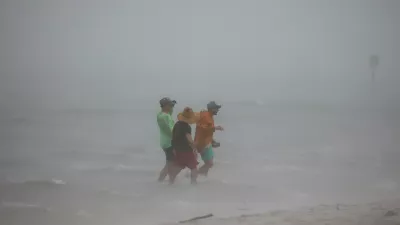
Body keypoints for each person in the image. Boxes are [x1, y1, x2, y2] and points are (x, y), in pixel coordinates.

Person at [169, 107, 199, 184]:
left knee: (179, 165)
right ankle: (193, 183)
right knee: (193, 167)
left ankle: (170, 182)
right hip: (186, 150)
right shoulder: (186, 127)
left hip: (178, 149)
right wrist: (194, 146)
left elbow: (173, 137)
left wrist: (174, 148)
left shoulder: (177, 124)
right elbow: (189, 138)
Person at [194, 101, 224, 176]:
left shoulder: (209, 116)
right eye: (216, 108)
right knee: (209, 163)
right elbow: (203, 128)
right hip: (202, 143)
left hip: (207, 142)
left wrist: (212, 141)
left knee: (209, 163)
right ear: (211, 109)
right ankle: (194, 174)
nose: (218, 110)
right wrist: (216, 128)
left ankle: (203, 179)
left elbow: (207, 132)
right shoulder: (206, 116)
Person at [156, 97, 177, 182]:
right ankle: (163, 182)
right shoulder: (165, 117)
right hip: (170, 143)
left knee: (170, 163)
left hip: (164, 142)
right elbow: (171, 130)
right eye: (170, 105)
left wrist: (172, 105)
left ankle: (169, 181)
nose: (171, 107)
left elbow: (169, 113)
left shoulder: (160, 114)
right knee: (170, 164)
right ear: (165, 106)